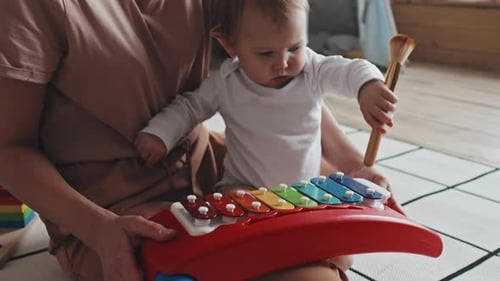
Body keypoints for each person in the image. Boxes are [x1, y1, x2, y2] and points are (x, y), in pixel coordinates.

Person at [0, 1, 401, 281]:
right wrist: (98, 228)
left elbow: (289, 76)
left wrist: (350, 163)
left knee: (334, 223)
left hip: (212, 165)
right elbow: (10, 148)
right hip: (114, 207)